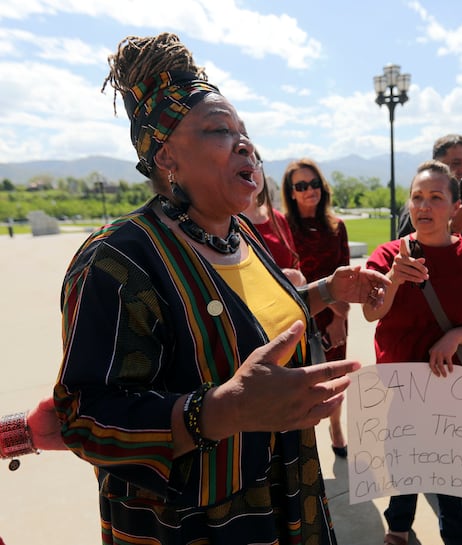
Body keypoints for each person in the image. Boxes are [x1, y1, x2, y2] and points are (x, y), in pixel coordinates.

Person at [53, 33, 389, 544]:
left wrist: (327, 289)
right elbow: (83, 416)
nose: (245, 144)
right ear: (166, 155)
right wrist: (219, 411)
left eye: (245, 132)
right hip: (195, 523)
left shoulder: (241, 234)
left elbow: (249, 324)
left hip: (288, 490)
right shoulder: (118, 260)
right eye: (219, 130)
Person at [364, 160, 462, 545]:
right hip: (402, 386)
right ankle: (398, 527)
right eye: (417, 197)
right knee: (404, 463)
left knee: (448, 473)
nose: (424, 206)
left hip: (453, 384)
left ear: (454, 206)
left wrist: (456, 337)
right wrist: (394, 279)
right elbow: (371, 312)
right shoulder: (387, 255)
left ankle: (457, 536)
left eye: (435, 197)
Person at [282, 158, 351, 459]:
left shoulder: (337, 227)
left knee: (335, 378)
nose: (309, 190)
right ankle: (304, 445)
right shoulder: (283, 228)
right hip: (299, 316)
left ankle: (336, 426)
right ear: (291, 192)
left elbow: (345, 276)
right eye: (301, 185)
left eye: (314, 183)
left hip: (337, 315)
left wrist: (340, 318)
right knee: (302, 383)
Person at [397, 134, 462, 249]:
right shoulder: (418, 210)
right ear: (438, 164)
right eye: (456, 163)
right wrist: (453, 228)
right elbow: (407, 257)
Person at [243, 148, 305, 285]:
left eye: (255, 164)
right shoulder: (221, 225)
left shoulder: (277, 218)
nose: (251, 173)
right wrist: (278, 279)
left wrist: (298, 279)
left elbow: (299, 275)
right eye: (242, 167)